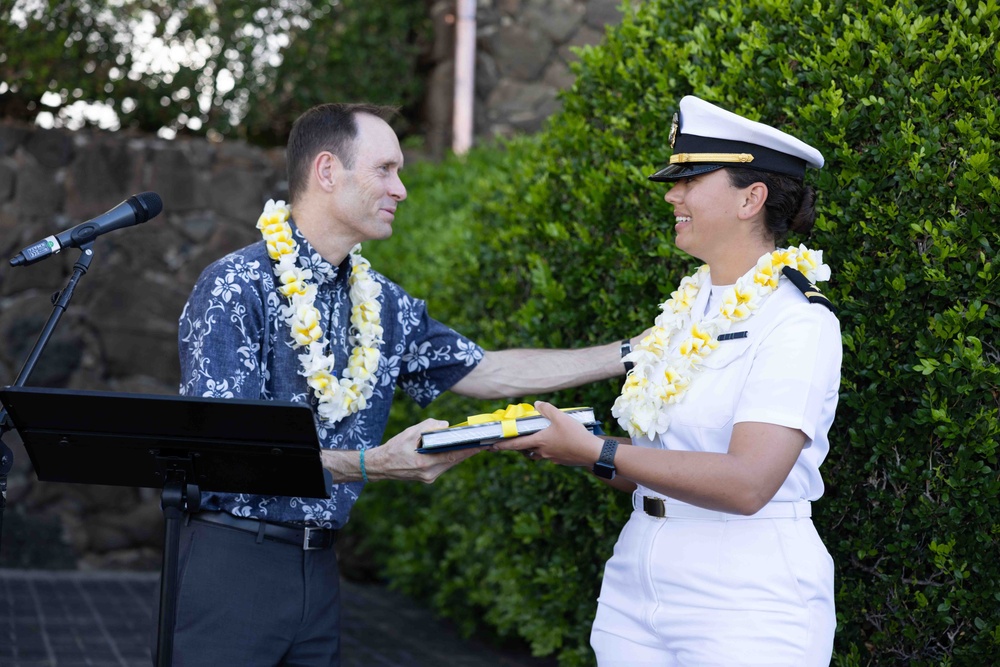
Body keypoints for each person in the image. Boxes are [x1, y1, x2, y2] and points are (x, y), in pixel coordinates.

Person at [173, 102, 638, 666]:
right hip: (231, 561)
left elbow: (487, 370)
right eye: (385, 169)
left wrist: (634, 354)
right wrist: (370, 463)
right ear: (327, 171)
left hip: (319, 569)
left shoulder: (382, 303)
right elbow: (228, 451)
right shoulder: (234, 285)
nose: (402, 189)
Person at [495, 96, 842, 666]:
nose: (671, 194)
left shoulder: (798, 321)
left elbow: (747, 483)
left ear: (751, 198)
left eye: (692, 179)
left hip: (746, 594)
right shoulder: (686, 311)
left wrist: (596, 447)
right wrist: (576, 451)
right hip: (640, 574)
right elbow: (669, 460)